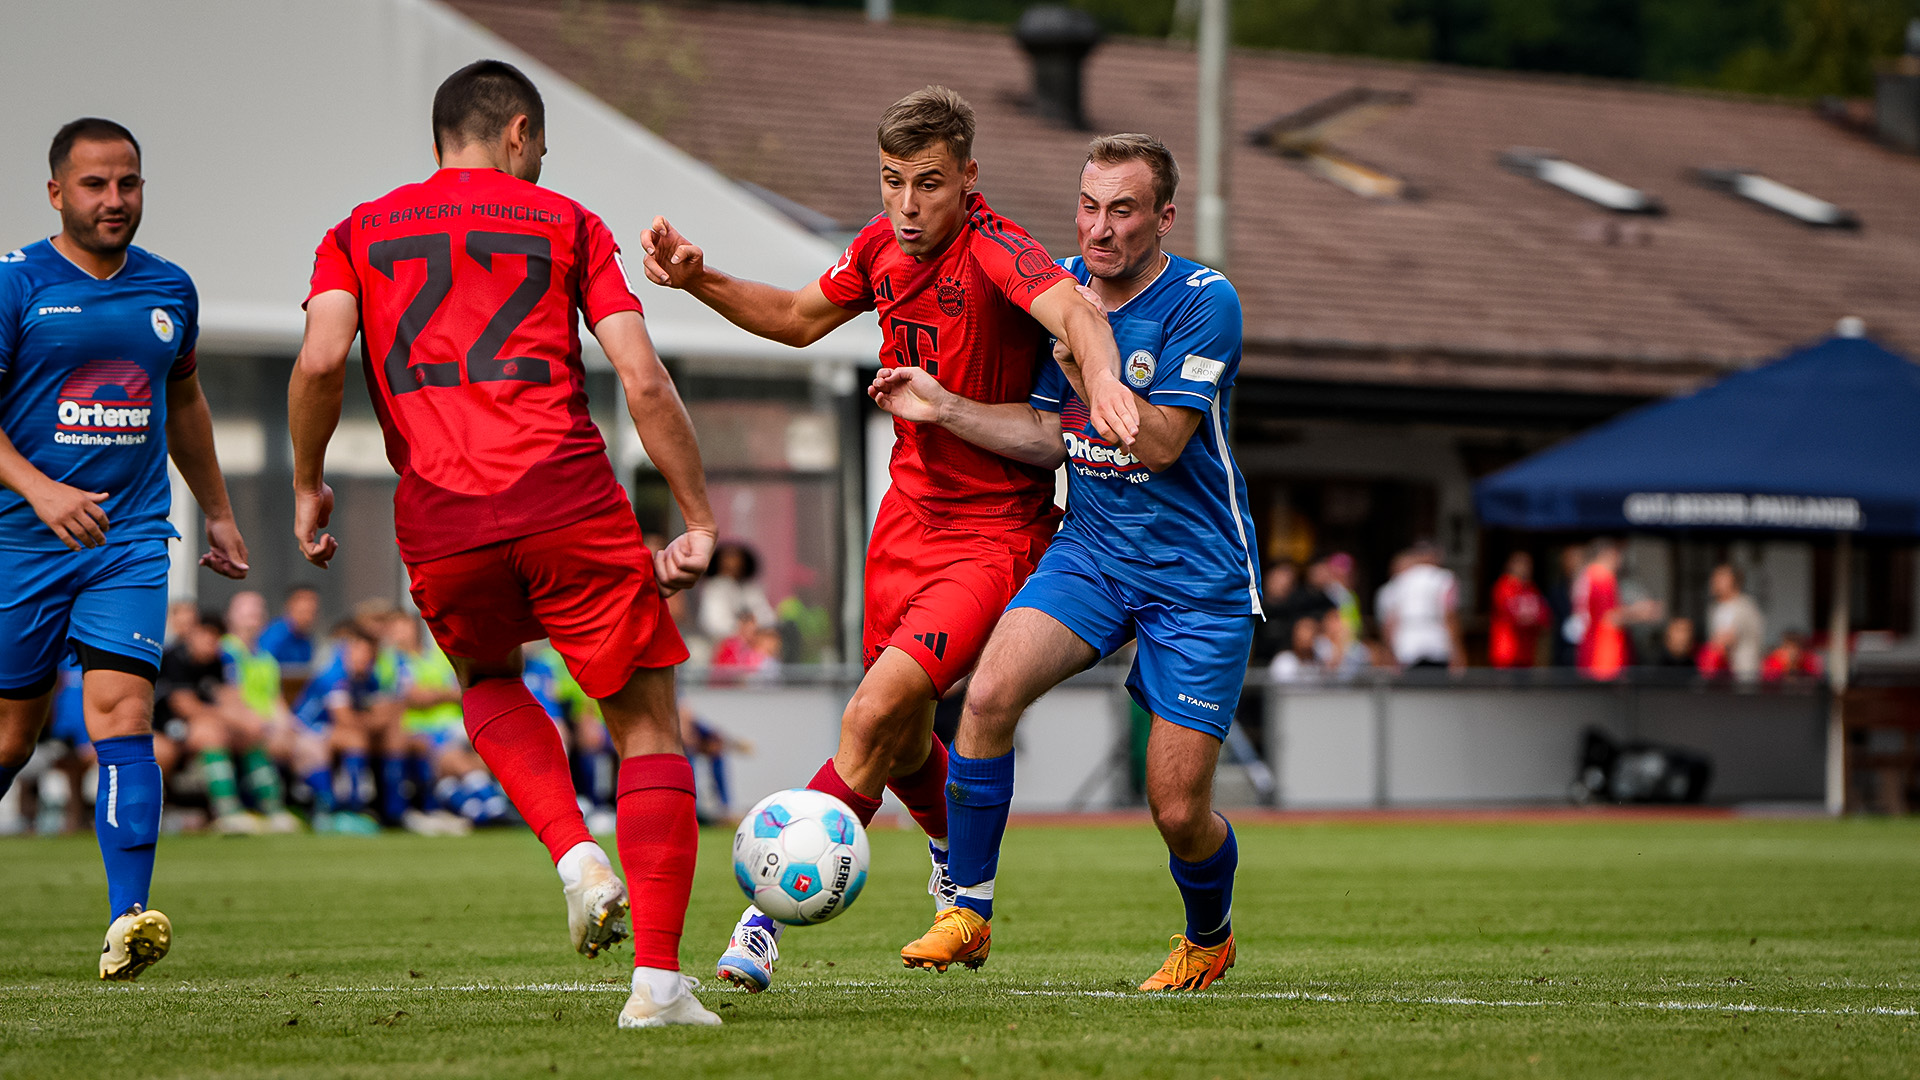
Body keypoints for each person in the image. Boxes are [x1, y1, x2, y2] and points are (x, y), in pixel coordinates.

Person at [640, 86, 1137, 993]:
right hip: (904, 520)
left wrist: (1101, 386)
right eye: (893, 183)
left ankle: (761, 922)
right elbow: (796, 320)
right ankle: (952, 856)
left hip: (995, 533)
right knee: (901, 740)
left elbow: (1077, 316)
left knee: (871, 714)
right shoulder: (878, 245)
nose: (908, 208)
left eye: (929, 186)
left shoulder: (999, 251)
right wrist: (698, 278)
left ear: (968, 179)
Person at [289, 60, 721, 1029]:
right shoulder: (567, 222)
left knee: (488, 680)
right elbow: (643, 380)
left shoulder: (353, 232)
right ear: (518, 131)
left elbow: (320, 359)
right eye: (542, 148)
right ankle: (657, 984)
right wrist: (695, 518)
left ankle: (574, 855)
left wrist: (310, 481)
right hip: (565, 494)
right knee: (646, 722)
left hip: (440, 515)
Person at [879, 133, 1257, 991]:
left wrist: (1086, 371)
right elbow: (1050, 437)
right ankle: (966, 911)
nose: (1099, 228)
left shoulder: (1206, 300)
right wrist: (945, 407)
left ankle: (1210, 934)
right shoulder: (1059, 289)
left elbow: (1158, 444)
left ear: (1163, 217)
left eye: (1122, 210)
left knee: (1175, 808)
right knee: (989, 694)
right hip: (1091, 552)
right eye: (1088, 207)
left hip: (1197, 580)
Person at [0, 118, 250, 980]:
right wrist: (39, 488)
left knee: (123, 715)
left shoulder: (170, 289)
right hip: (19, 540)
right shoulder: (16, 284)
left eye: (129, 183)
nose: (115, 200)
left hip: (130, 536)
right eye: (96, 185)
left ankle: (127, 921)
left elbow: (184, 404)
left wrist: (215, 512)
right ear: (56, 191)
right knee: (9, 740)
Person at [156, 610, 291, 834]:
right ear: (193, 635)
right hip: (166, 730)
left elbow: (229, 697)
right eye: (206, 635)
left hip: (202, 728)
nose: (211, 642)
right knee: (211, 734)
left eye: (216, 637)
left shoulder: (218, 662)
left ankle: (273, 810)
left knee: (249, 734)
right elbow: (187, 708)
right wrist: (232, 719)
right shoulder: (174, 658)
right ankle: (227, 812)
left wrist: (248, 721)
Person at [221, 591, 301, 832]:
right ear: (231, 617)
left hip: (264, 724)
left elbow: (276, 701)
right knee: (257, 736)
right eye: (246, 612)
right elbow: (228, 698)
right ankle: (268, 807)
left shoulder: (266, 657)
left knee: (308, 745)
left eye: (257, 612)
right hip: (237, 724)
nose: (252, 618)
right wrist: (266, 725)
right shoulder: (225, 651)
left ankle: (323, 810)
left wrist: (289, 726)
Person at [1376, 543, 1463, 672]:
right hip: (1437, 643)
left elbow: (1390, 622)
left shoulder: (1397, 582)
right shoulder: (1445, 579)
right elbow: (1449, 615)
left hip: (1406, 646)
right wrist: (1458, 651)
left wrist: (1389, 653)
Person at [696, 542, 777, 644]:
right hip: (719, 645)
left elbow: (767, 616)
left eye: (736, 558)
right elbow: (713, 623)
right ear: (719, 562)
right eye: (728, 558)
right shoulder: (714, 588)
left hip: (754, 644)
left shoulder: (751, 588)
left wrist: (754, 628)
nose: (733, 563)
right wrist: (739, 629)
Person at [1488, 551, 1547, 669]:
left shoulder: (1531, 589)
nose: (1525, 568)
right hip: (1506, 652)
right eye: (1521, 564)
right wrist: (1530, 618)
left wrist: (1531, 618)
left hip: (1526, 653)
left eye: (1528, 565)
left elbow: (1544, 616)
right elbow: (1512, 615)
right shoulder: (1503, 587)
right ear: (1510, 565)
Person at [1708, 564, 1765, 683]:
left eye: (1721, 577)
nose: (1715, 581)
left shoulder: (1744, 606)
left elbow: (1727, 639)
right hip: (1722, 674)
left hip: (1743, 673)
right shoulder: (1716, 608)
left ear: (1734, 581)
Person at [260, 584, 321, 679]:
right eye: (304, 612)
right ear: (290, 606)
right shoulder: (275, 636)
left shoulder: (307, 640)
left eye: (312, 613)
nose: (308, 618)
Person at [1267, 616, 1324, 683]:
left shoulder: (1321, 661)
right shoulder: (1284, 661)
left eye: (1312, 631)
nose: (1307, 636)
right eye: (1303, 631)